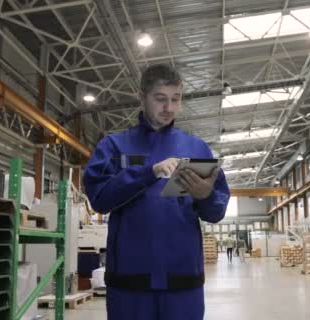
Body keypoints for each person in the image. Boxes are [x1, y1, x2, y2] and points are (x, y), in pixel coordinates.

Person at [83, 64, 230, 320]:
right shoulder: (115, 146)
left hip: (183, 281)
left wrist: (205, 195)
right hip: (130, 282)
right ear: (142, 98)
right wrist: (147, 173)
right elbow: (100, 199)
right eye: (160, 99)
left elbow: (216, 212)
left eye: (176, 99)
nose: (169, 108)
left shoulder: (196, 148)